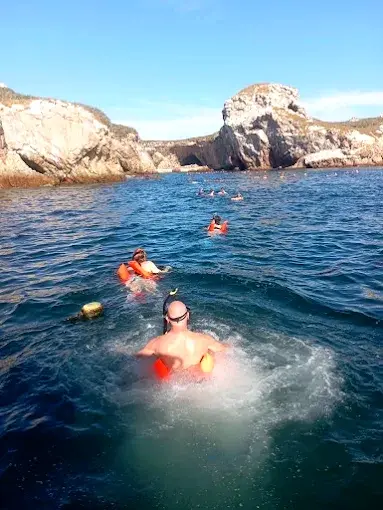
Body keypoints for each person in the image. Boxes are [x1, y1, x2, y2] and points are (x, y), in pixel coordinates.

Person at [136, 300, 229, 373]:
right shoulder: (204, 340)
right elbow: (225, 349)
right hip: (197, 383)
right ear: (188, 315)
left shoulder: (156, 344)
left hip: (172, 386)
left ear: (167, 319)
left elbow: (135, 359)